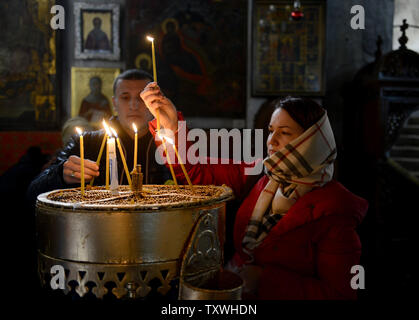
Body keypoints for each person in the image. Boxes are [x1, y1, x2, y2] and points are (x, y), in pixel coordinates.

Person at [140, 83, 368, 300]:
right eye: (271, 131)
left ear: (311, 141)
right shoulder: (262, 174)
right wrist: (171, 127)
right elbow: (197, 175)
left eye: (285, 132)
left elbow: (341, 294)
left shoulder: (336, 213)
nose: (272, 141)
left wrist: (264, 279)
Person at [27, 69, 171, 206]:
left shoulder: (172, 143)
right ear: (114, 103)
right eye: (125, 97)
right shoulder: (87, 143)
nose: (133, 105)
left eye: (141, 98)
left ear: (154, 101)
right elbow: (33, 193)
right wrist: (60, 175)